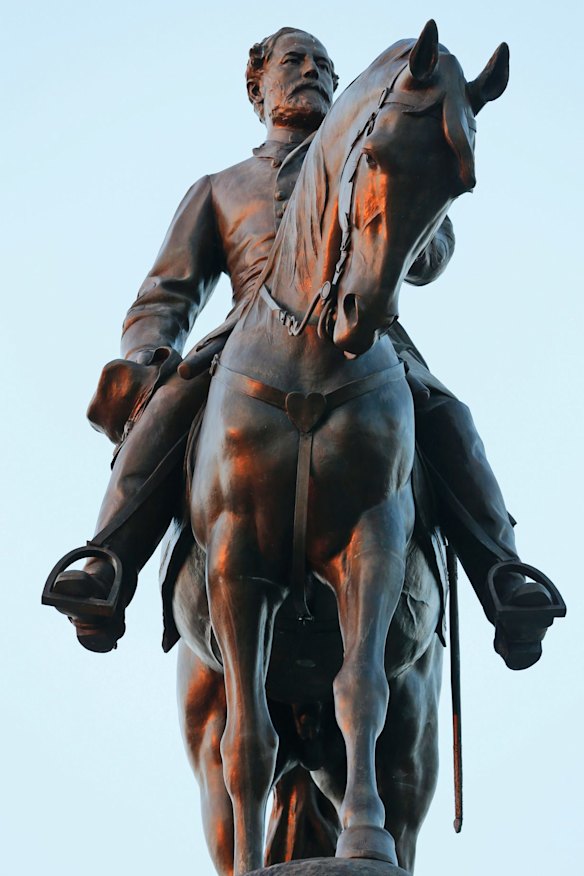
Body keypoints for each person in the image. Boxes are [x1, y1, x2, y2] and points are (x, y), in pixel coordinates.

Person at [52, 27, 554, 668]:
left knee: (446, 415)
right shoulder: (220, 188)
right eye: (295, 60)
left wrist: (408, 184)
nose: (313, 71)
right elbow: (166, 295)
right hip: (246, 343)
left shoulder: (371, 154)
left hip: (366, 334)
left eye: (325, 64)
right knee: (176, 399)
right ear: (257, 86)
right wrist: (149, 353)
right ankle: (107, 561)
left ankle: (504, 577)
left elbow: (426, 253)